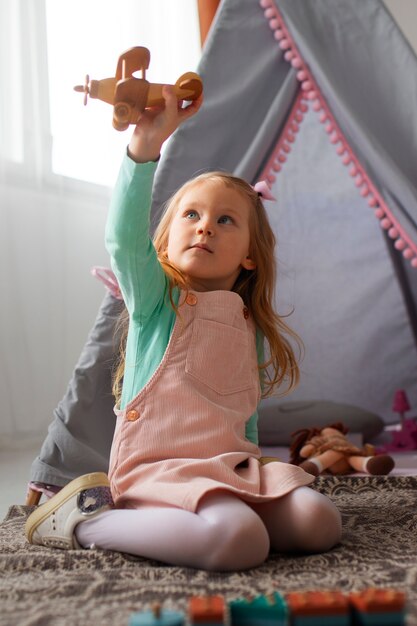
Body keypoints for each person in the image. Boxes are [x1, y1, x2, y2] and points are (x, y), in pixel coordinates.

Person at [25, 86, 341, 571]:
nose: (204, 226)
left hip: (230, 468)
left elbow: (244, 410)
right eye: (191, 215)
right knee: (241, 541)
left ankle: (230, 515)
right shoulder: (157, 300)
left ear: (251, 255)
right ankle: (85, 522)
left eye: (225, 219)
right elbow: (124, 241)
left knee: (320, 521)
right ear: (167, 243)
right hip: (160, 471)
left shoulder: (246, 321)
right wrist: (144, 149)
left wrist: (254, 470)